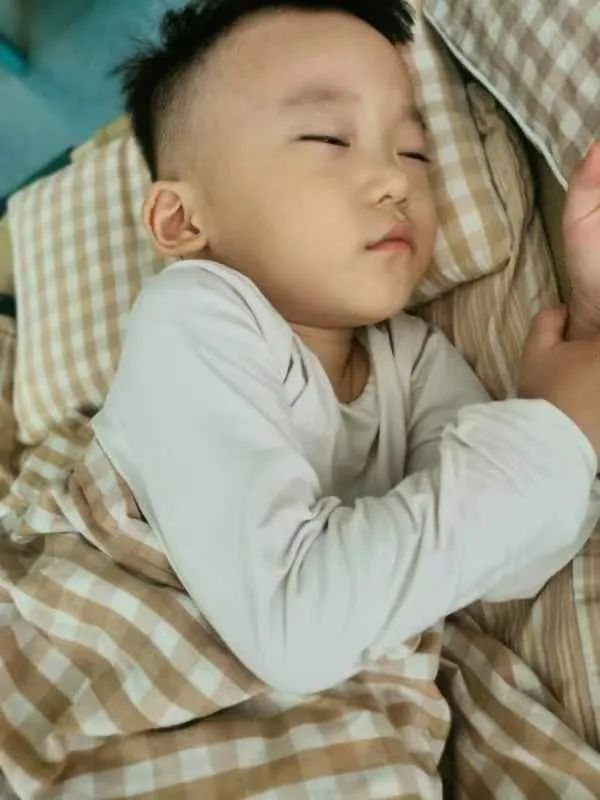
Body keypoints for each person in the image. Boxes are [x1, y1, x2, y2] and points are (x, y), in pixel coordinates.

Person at [92, 0, 600, 694]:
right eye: (328, 138)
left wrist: (585, 339)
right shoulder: (190, 315)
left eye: (415, 151)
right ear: (181, 221)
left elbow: (511, 561)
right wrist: (554, 431)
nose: (397, 180)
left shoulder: (413, 358)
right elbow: (294, 626)